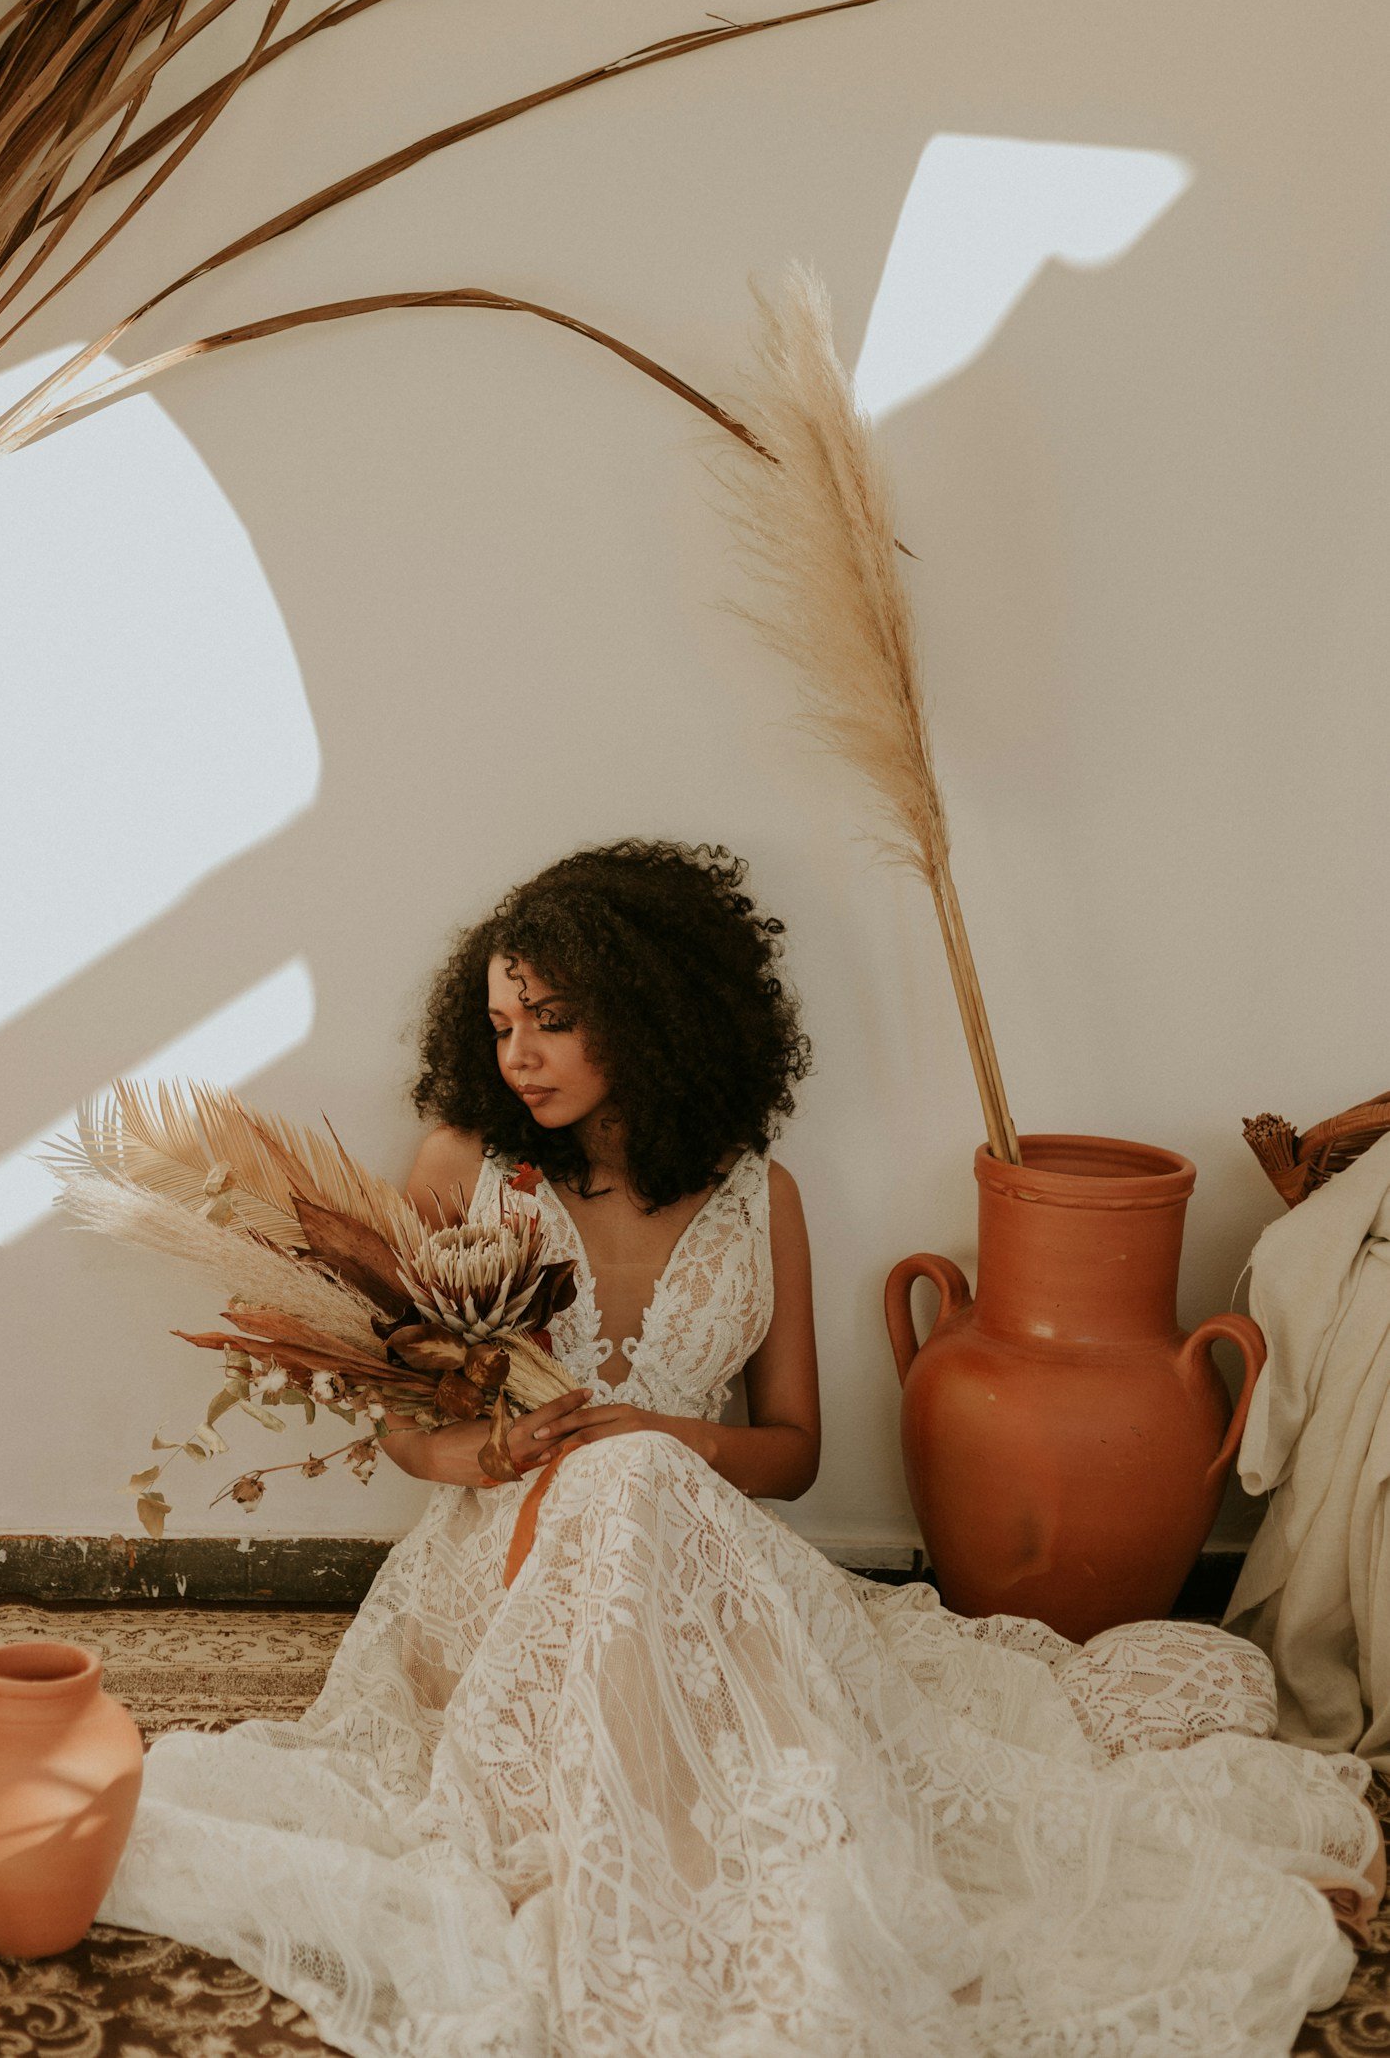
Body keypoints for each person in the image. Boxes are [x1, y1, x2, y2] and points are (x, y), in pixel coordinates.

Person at [96, 842, 1382, 2057]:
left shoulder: (761, 1196)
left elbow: (793, 1453)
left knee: (643, 1477)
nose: (520, 1055)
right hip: (502, 1562)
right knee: (616, 1482)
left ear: (648, 1012)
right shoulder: (463, 1166)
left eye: (548, 1017)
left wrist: (658, 1433)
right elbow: (401, 1417)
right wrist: (484, 1458)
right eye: (499, 1025)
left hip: (690, 1542)